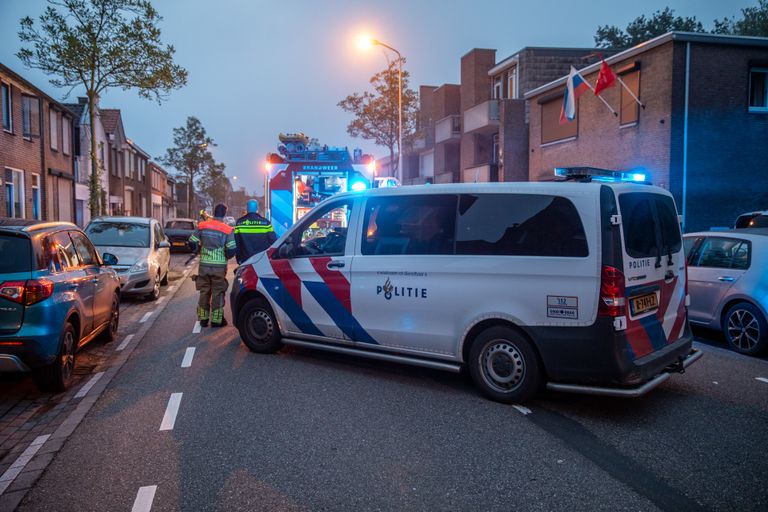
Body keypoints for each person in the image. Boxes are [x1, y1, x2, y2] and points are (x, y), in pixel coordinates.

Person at [188, 203, 236, 327]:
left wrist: (198, 250)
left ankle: (203, 319)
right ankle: (216, 320)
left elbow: (192, 241)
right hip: (219, 267)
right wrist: (225, 256)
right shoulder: (227, 229)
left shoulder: (202, 226)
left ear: (214, 213)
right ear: (224, 214)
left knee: (204, 291)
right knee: (218, 292)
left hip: (204, 266)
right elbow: (231, 250)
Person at [234, 199, 277, 264]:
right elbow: (273, 241)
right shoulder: (266, 223)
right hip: (261, 260)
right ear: (257, 209)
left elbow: (236, 243)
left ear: (247, 209)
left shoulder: (240, 223)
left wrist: (239, 259)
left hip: (245, 260)